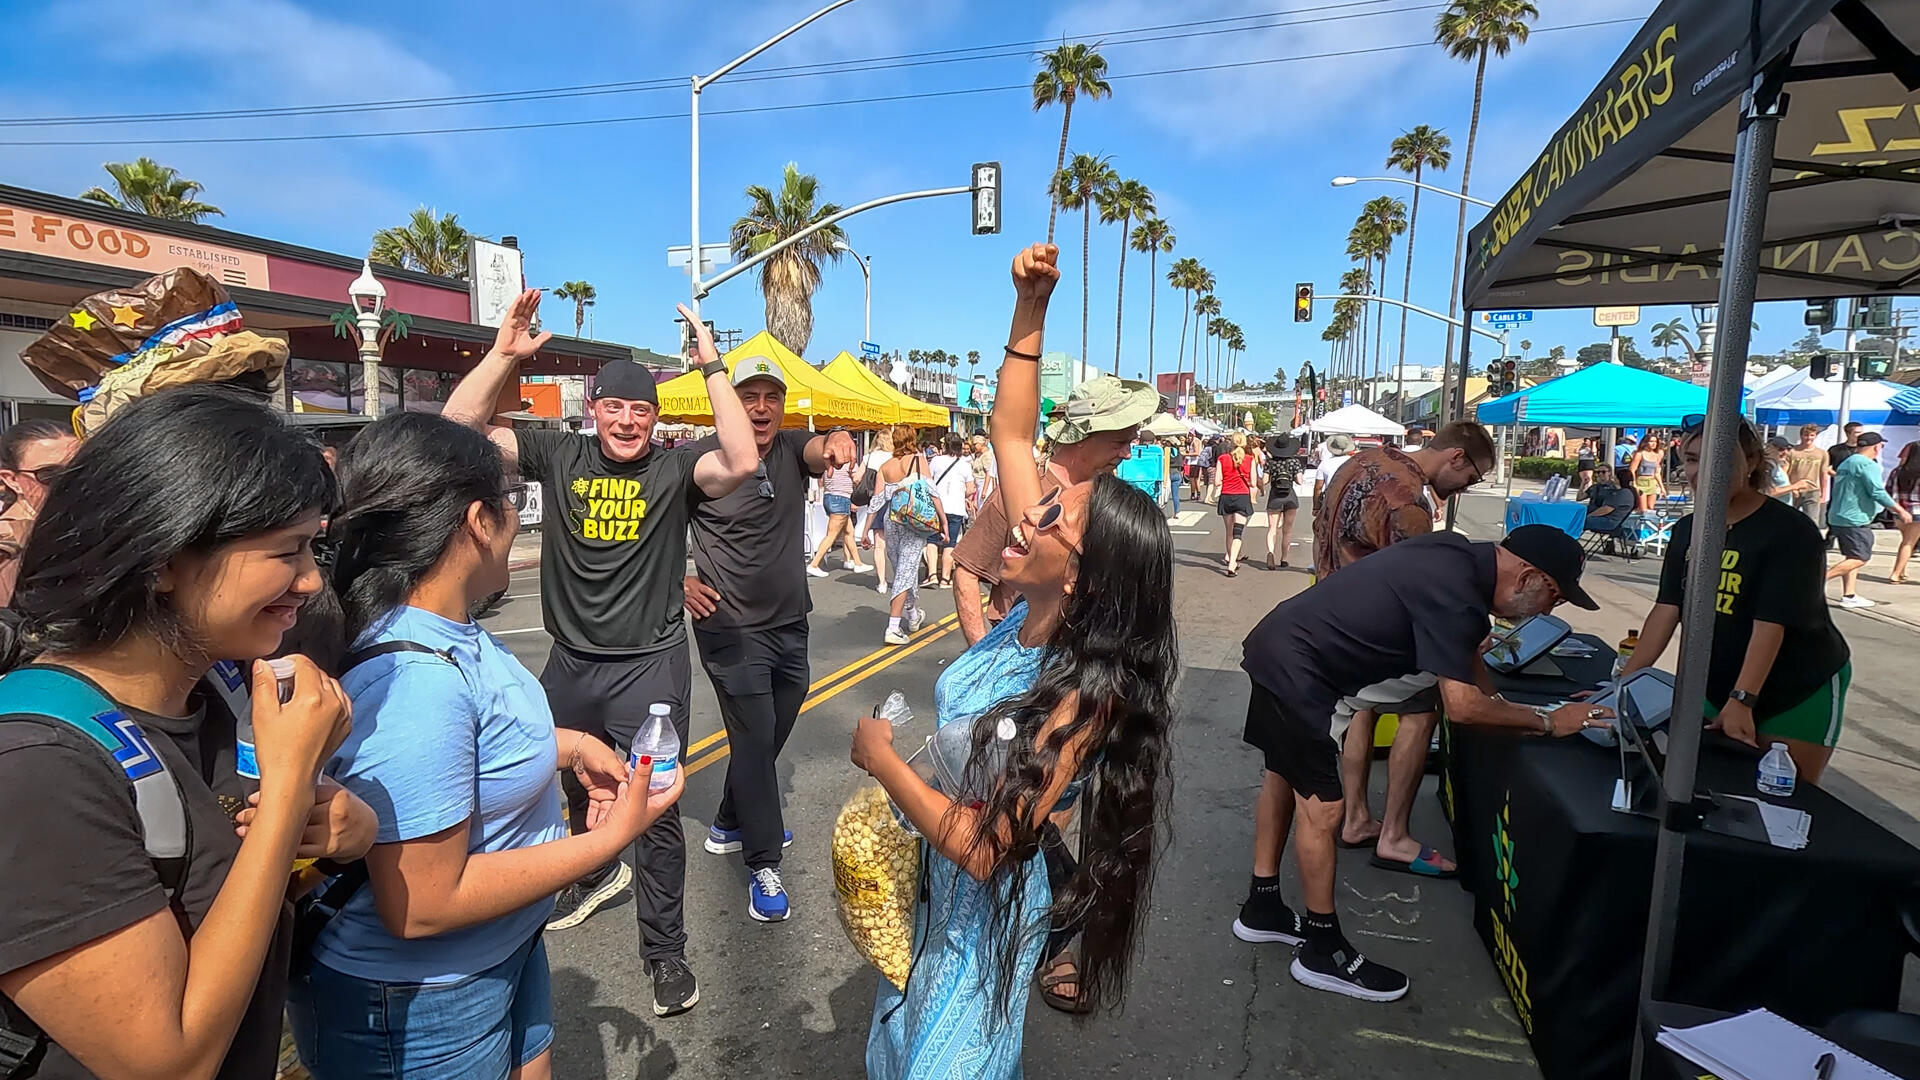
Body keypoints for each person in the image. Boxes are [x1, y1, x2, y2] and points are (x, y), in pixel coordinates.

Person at [853, 241, 1176, 1074]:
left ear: (1079, 572)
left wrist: (884, 762)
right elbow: (1012, 427)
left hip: (981, 926)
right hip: (932, 902)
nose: (1022, 520)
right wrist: (1030, 306)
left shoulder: (1076, 697)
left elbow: (988, 850)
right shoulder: (1024, 621)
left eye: (1051, 519)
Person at [298, 413, 682, 1078]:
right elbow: (422, 903)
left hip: (499, 946)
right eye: (514, 499)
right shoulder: (415, 679)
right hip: (422, 1000)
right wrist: (606, 841)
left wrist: (570, 745)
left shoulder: (448, 626)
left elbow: (471, 742)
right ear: (479, 520)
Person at [0, 387, 366, 1079]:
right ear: (165, 556)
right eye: (288, 551)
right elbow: (169, 1062)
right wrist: (289, 791)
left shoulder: (219, 688)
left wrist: (338, 831)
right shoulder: (37, 764)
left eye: (315, 547)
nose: (313, 581)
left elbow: (224, 893)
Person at [441, 290, 756, 1016]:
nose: (626, 421)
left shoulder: (674, 470)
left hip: (649, 665)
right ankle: (592, 869)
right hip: (570, 663)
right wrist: (503, 355)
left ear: (654, 419)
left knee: (654, 808)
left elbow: (740, 457)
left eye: (640, 412)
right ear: (595, 410)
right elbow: (455, 431)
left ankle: (666, 953)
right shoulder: (560, 453)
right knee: (569, 783)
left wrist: (711, 362)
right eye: (615, 408)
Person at [1235, 525, 1605, 1002]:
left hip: (1281, 645)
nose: (1549, 610)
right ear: (1526, 576)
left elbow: (1469, 663)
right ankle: (1322, 951)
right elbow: (1464, 707)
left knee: (1282, 777)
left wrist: (1512, 708)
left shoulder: (1455, 553)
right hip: (1301, 672)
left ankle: (1262, 908)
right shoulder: (1460, 600)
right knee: (1323, 808)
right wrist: (1549, 723)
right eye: (1553, 596)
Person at [681, 359, 857, 922]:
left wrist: (837, 440)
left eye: (770, 397)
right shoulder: (700, 460)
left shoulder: (788, 450)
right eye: (748, 396)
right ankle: (762, 862)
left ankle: (731, 817)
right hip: (728, 628)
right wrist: (676, 580)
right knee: (755, 739)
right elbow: (656, 529)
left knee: (774, 730)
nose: (760, 407)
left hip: (789, 623)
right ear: (728, 403)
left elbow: (819, 448)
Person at [1309, 422, 1495, 875]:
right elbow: (1422, 583)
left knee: (1358, 711)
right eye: (1470, 478)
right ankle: (1393, 834)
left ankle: (1354, 817)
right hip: (1377, 627)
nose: (1464, 489)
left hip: (1330, 610)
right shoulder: (1407, 498)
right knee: (1418, 711)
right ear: (1455, 457)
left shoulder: (1360, 462)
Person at [1621, 418, 1851, 784]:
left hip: (1796, 683)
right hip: (1714, 680)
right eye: (1693, 459)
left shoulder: (1790, 531)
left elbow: (1771, 623)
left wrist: (1743, 700)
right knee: (1711, 784)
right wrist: (1622, 687)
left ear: (1753, 461)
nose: (1703, 470)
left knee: (1787, 796)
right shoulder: (1687, 530)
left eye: (1720, 458)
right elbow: (1668, 608)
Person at [949, 375, 1155, 647]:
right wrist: (979, 651)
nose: (1128, 453)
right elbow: (966, 571)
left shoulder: (1104, 495)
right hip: (1022, 649)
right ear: (1081, 438)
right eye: (1118, 443)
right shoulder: (1018, 493)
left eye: (1130, 442)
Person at [865, 425, 949, 645]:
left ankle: (912, 613)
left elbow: (876, 501)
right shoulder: (918, 460)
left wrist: (866, 530)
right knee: (905, 572)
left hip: (892, 521)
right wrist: (943, 521)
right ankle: (893, 626)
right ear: (912, 439)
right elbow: (931, 491)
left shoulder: (885, 466)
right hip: (914, 520)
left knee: (904, 569)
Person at [1825, 431, 1910, 608]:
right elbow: (1876, 491)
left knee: (1851, 556)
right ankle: (1817, 581)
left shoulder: (1847, 462)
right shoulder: (1866, 464)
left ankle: (1849, 595)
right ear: (1876, 447)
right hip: (1855, 518)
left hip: (1838, 515)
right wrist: (1899, 510)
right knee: (1860, 557)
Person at [0, 419, 78, 608]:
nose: (68, 482)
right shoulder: (9, 546)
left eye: (79, 469)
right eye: (49, 474)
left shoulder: (74, 522)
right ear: (12, 480)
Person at [806, 453, 870, 579]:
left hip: (829, 496)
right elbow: (857, 478)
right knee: (831, 535)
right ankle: (813, 564)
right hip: (841, 498)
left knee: (848, 531)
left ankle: (857, 562)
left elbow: (821, 481)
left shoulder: (828, 462)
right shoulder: (849, 463)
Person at [925, 434, 976, 590]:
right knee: (950, 543)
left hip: (937, 506)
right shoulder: (965, 465)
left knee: (932, 541)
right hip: (956, 508)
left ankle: (932, 574)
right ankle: (946, 579)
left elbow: (928, 481)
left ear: (945, 446)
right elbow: (970, 489)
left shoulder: (936, 461)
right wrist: (961, 493)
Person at [859, 429, 896, 596]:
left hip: (876, 502)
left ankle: (881, 581)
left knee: (879, 545)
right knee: (896, 544)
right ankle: (898, 578)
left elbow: (857, 477)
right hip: (895, 502)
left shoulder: (869, 457)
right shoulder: (895, 458)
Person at [1215, 431, 1257, 576]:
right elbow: (1252, 482)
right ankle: (1232, 563)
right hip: (1242, 497)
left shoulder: (1222, 459)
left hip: (1226, 496)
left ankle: (1230, 559)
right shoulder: (1250, 459)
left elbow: (1216, 481)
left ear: (1231, 443)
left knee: (1229, 532)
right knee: (1237, 533)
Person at [1263, 435, 1305, 570]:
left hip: (1275, 496)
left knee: (1272, 529)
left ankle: (1270, 552)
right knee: (1287, 531)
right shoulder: (1294, 462)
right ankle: (1284, 558)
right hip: (1290, 497)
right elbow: (1299, 481)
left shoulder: (1270, 463)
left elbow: (1264, 481)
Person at [1889, 442, 1920, 585]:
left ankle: (1901, 571)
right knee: (1908, 543)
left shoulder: (1897, 471)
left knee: (1906, 542)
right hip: (1916, 511)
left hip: (1899, 510)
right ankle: (1895, 573)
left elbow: (1888, 489)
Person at [1786, 424, 1830, 523]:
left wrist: (1823, 494)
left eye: (1811, 435)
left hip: (1812, 491)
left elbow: (1823, 474)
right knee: (1789, 519)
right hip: (1794, 490)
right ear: (1801, 436)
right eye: (1806, 435)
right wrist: (1791, 487)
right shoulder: (1792, 452)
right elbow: (1785, 472)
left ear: (1815, 436)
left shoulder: (1822, 453)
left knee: (1812, 521)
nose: (1808, 438)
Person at [1312, 434, 1356, 506]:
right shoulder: (1353, 462)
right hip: (1349, 497)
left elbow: (1318, 488)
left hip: (1331, 497)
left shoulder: (1325, 463)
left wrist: (1316, 506)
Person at [1630, 435, 1666, 512]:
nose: (1653, 444)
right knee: (1643, 509)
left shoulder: (1658, 454)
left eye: (1655, 442)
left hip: (1652, 482)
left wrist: (1662, 487)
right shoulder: (1639, 454)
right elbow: (1632, 470)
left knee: (1650, 507)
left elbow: (1657, 472)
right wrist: (1634, 483)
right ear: (1646, 442)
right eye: (1651, 441)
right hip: (1641, 482)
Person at [1764, 436, 1802, 503]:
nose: (1785, 452)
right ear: (1770, 449)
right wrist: (1795, 486)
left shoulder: (1777, 465)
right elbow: (1770, 492)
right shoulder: (1767, 466)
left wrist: (1792, 489)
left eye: (1788, 449)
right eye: (1781, 449)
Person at [969, 433, 997, 514]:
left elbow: (989, 473)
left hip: (984, 484)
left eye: (975, 444)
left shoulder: (987, 455)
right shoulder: (978, 455)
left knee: (983, 508)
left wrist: (984, 490)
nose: (974, 446)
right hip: (978, 484)